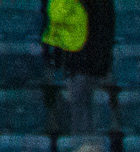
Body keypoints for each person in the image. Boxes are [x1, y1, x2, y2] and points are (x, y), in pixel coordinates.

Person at [41, 0, 110, 134]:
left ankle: (81, 144)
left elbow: (104, 29)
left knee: (81, 105)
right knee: (75, 105)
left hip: (86, 64)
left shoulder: (100, 6)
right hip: (70, 63)